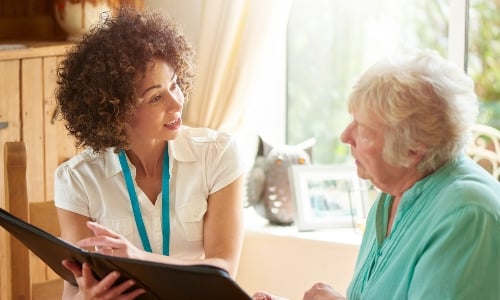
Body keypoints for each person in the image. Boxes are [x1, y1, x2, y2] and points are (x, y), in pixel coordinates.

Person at [253, 49, 500, 300]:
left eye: (363, 129)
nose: (345, 136)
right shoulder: (391, 196)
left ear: (413, 148)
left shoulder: (467, 214)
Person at [54, 8, 245, 299]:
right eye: (156, 97)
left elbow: (223, 270)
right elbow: (72, 290)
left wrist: (139, 260)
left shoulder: (217, 154)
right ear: (116, 111)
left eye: (175, 84)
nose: (176, 104)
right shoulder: (77, 180)